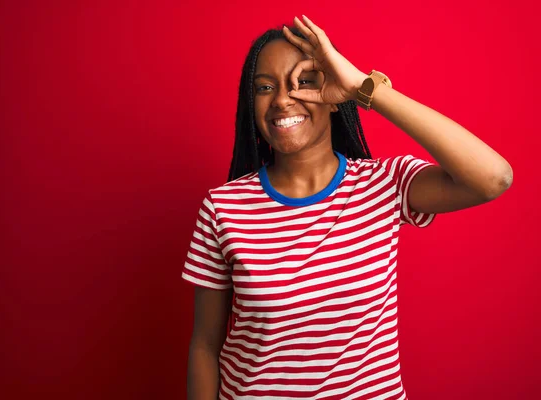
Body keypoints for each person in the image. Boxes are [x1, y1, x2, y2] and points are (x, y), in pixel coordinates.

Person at [182, 15, 512, 400]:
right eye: (265, 87)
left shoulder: (384, 183)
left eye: (304, 81)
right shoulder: (223, 207)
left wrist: (361, 87)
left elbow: (494, 178)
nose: (283, 98)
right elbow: (205, 345)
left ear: (335, 96)